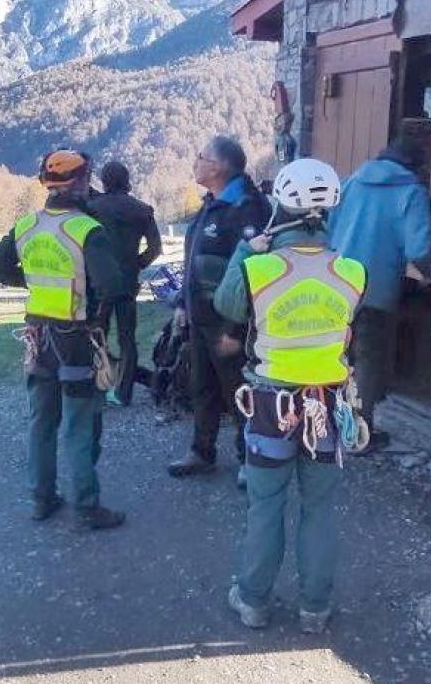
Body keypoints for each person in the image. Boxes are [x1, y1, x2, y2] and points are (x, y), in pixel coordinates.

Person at [213, 158, 366, 634]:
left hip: (270, 405)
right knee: (319, 507)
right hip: (327, 404)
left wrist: (246, 249)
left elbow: (226, 304)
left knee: (267, 505)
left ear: (280, 203)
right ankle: (315, 608)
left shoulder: (258, 268)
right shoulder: (353, 272)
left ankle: (255, 600)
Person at [0, 149, 129, 531]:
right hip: (76, 336)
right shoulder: (86, 230)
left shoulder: (27, 225)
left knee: (41, 420)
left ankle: (41, 499)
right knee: (81, 423)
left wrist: (31, 282)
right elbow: (113, 284)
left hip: (38, 335)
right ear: (80, 182)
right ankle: (86, 506)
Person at [168, 136, 270, 477]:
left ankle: (248, 458)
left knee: (238, 391)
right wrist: (183, 304)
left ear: (218, 167)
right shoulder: (211, 203)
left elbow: (255, 272)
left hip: (228, 324)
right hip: (200, 319)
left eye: (201, 156)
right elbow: (195, 259)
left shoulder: (247, 207)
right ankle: (202, 451)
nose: (195, 162)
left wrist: (237, 330)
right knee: (202, 386)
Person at [328, 137, 431, 452]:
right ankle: (359, 435)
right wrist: (428, 271)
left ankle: (330, 425)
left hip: (337, 285)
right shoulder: (412, 192)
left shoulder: (351, 183)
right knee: (369, 362)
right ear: (415, 166)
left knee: (337, 357)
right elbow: (418, 249)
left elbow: (329, 230)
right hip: (376, 289)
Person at [86, 161, 163, 406]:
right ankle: (124, 392)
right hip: (128, 283)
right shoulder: (142, 210)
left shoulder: (91, 209)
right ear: (127, 179)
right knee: (127, 339)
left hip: (99, 283)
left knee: (97, 336)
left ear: (104, 181)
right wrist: (136, 265)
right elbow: (155, 248)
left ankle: (99, 386)